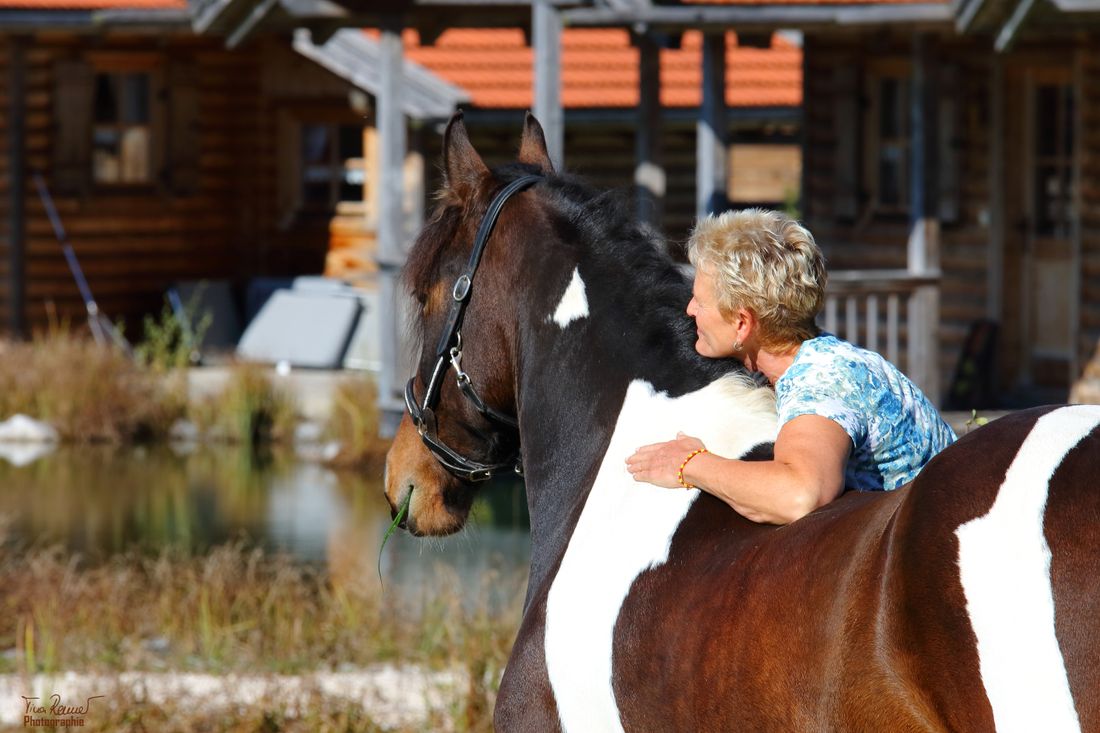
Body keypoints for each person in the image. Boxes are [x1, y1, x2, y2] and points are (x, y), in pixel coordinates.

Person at [625, 209, 956, 525]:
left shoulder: (822, 381)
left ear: (742, 324)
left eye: (700, 300)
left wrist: (691, 464)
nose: (690, 309)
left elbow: (800, 494)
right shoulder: (825, 356)